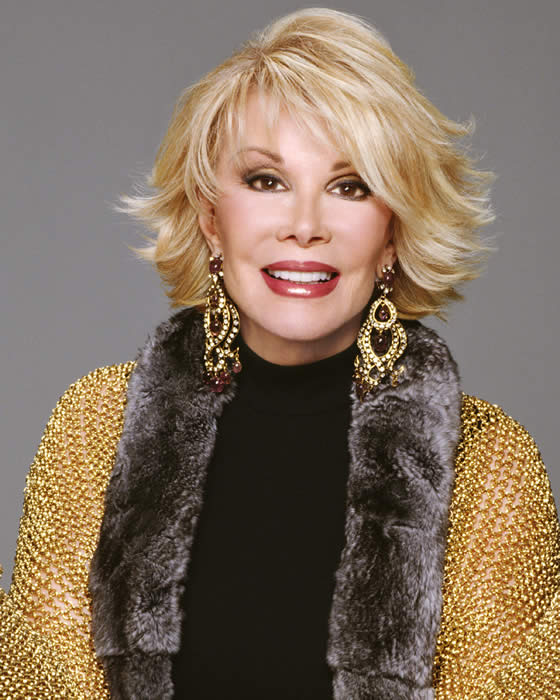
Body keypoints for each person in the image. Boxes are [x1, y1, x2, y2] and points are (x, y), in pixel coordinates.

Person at [1, 7, 559, 699]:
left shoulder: (488, 462)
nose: (304, 226)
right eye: (267, 180)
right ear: (211, 217)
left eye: (350, 186)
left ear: (392, 233)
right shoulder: (96, 426)